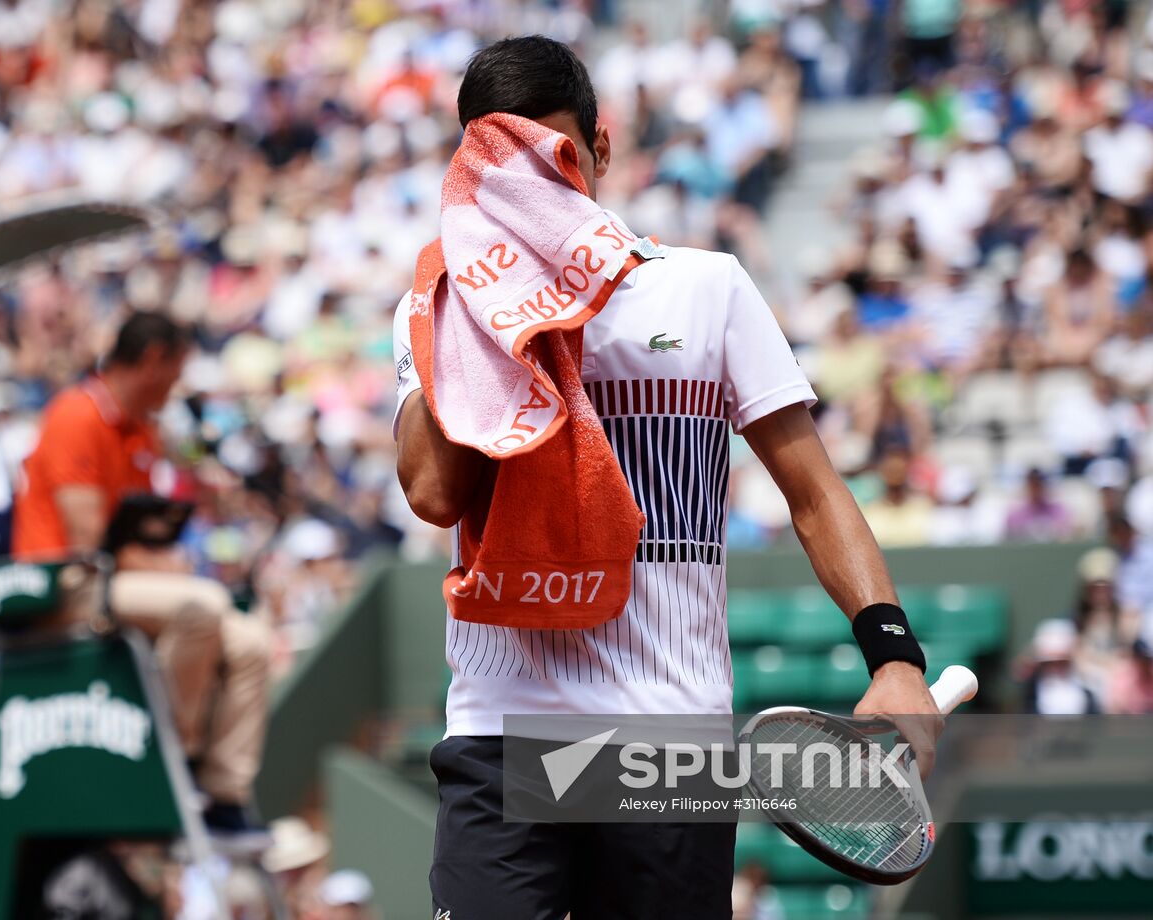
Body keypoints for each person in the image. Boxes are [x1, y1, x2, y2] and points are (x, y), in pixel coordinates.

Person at [392, 37, 941, 920]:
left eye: (554, 160)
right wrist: (483, 312)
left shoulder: (706, 288)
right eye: (505, 168)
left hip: (667, 738)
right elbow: (432, 493)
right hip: (505, 732)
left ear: (601, 150)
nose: (532, 192)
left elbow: (813, 492)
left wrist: (896, 656)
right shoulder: (443, 304)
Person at [12, 311, 271, 833]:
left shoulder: (142, 429)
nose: (176, 384)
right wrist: (167, 569)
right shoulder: (77, 415)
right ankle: (171, 760)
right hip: (63, 585)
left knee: (251, 643)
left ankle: (224, 792)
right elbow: (89, 543)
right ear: (153, 360)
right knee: (201, 606)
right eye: (175, 369)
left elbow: (136, 533)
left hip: (113, 582)